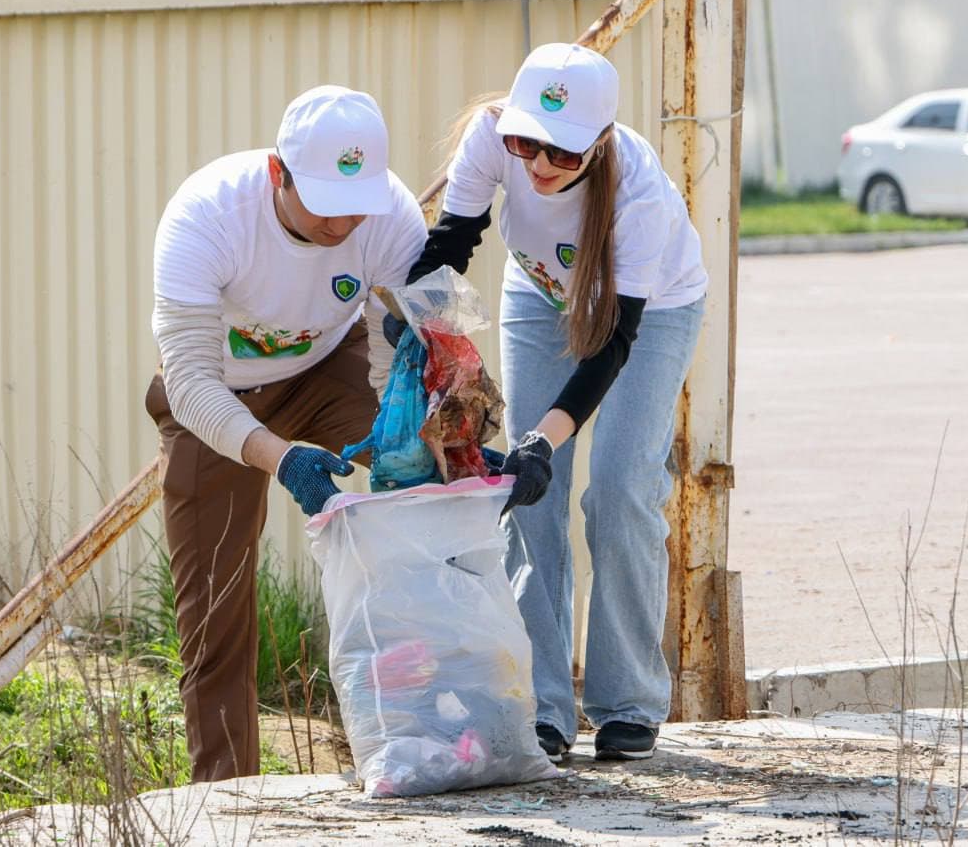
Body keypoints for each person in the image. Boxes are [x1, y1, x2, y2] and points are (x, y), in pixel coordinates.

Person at [390, 43, 708, 762]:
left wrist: (545, 435)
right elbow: (452, 244)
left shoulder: (641, 202)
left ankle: (627, 700)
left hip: (648, 316)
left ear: (598, 144)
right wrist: (421, 324)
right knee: (529, 496)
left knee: (621, 489)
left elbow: (612, 344)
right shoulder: (491, 139)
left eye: (560, 154)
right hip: (538, 297)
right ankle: (542, 705)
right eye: (526, 142)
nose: (536, 166)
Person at [146, 85, 427, 781]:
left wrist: (415, 417)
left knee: (433, 464)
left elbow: (406, 347)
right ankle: (231, 798)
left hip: (332, 368)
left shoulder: (390, 217)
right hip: (220, 397)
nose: (343, 226)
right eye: (327, 205)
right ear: (279, 173)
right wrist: (278, 456)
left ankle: (441, 738)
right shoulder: (207, 216)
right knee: (214, 611)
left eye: (356, 205)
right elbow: (190, 384)